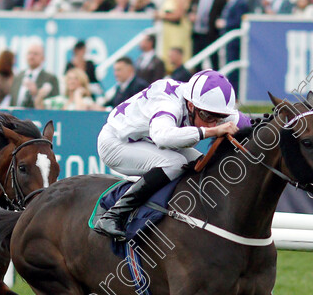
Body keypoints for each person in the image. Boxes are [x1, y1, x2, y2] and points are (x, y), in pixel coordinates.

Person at [94, 70, 249, 239]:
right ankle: (114, 215)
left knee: (203, 163)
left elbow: (249, 123)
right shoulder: (168, 103)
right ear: (191, 106)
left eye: (220, 118)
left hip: (146, 140)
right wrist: (211, 131)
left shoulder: (204, 104)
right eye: (207, 116)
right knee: (174, 163)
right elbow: (162, 137)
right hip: (116, 143)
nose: (213, 122)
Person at [190, 0, 226, 68]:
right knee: (197, 60)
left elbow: (223, 13)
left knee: (214, 60)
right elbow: (191, 9)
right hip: (197, 33)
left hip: (211, 33)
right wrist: (191, 15)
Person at [158, 0, 192, 72]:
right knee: (168, 56)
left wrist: (162, 15)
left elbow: (178, 14)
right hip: (169, 30)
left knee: (176, 53)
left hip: (177, 30)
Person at [9, 42, 59, 108]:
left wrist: (36, 94)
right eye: (29, 53)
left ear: (43, 58)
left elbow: (54, 105)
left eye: (35, 54)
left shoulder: (50, 79)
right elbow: (12, 102)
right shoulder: (18, 77)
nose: (31, 56)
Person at [36, 68, 103, 111]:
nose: (72, 81)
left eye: (76, 79)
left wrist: (78, 94)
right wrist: (40, 95)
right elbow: (40, 107)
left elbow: (80, 113)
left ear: (82, 81)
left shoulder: (86, 101)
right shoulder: (61, 100)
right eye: (69, 79)